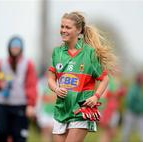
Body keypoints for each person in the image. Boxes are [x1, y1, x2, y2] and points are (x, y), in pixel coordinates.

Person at [47, 11, 117, 142]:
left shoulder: (89, 53)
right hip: (61, 111)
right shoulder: (57, 52)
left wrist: (96, 97)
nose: (63, 30)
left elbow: (104, 78)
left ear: (79, 30)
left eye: (68, 27)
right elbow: (51, 79)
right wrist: (56, 89)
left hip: (81, 111)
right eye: (62, 26)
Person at [0, 36, 38, 142]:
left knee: (19, 137)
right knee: (1, 133)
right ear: (9, 48)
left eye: (17, 47)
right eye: (13, 47)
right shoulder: (1, 62)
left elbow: (31, 85)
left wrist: (30, 104)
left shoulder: (27, 63)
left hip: (20, 105)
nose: (15, 49)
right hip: (3, 105)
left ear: (21, 48)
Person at [122, 72, 143, 142]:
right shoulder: (133, 89)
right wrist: (136, 109)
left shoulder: (140, 88)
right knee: (127, 131)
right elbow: (128, 102)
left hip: (140, 114)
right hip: (131, 113)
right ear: (139, 80)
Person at [99, 76, 126, 142]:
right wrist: (121, 90)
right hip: (108, 109)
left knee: (110, 133)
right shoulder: (110, 80)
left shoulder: (111, 80)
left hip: (110, 109)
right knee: (109, 132)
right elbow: (115, 92)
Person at [36, 72, 56, 142]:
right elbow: (39, 99)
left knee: (54, 133)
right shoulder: (42, 84)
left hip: (55, 114)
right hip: (44, 113)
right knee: (46, 132)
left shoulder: (58, 84)